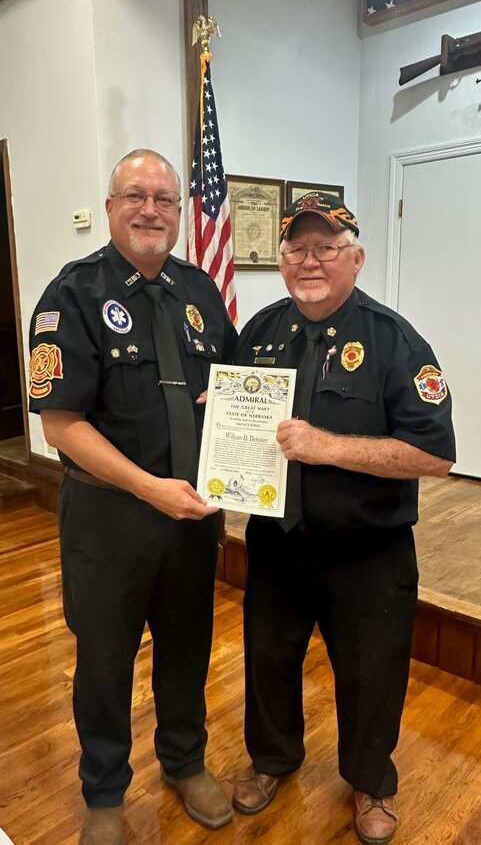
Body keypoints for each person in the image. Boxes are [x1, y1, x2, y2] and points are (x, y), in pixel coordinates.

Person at [28, 149, 237, 845]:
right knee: (106, 658)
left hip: (192, 518)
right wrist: (149, 487)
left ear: (180, 211)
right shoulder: (72, 295)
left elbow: (231, 391)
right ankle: (105, 795)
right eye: (135, 196)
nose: (151, 210)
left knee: (187, 646)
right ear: (112, 206)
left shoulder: (200, 290)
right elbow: (61, 423)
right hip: (109, 517)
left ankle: (185, 762)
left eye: (165, 199)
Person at [232, 191, 455, 845]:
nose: (309, 259)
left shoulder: (394, 341)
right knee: (268, 660)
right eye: (296, 247)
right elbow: (239, 427)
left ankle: (370, 781)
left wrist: (327, 447)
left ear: (354, 257)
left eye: (325, 247)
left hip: (368, 550)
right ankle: (272, 758)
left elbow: (434, 454)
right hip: (277, 541)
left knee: (370, 670)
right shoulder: (260, 333)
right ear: (281, 259)